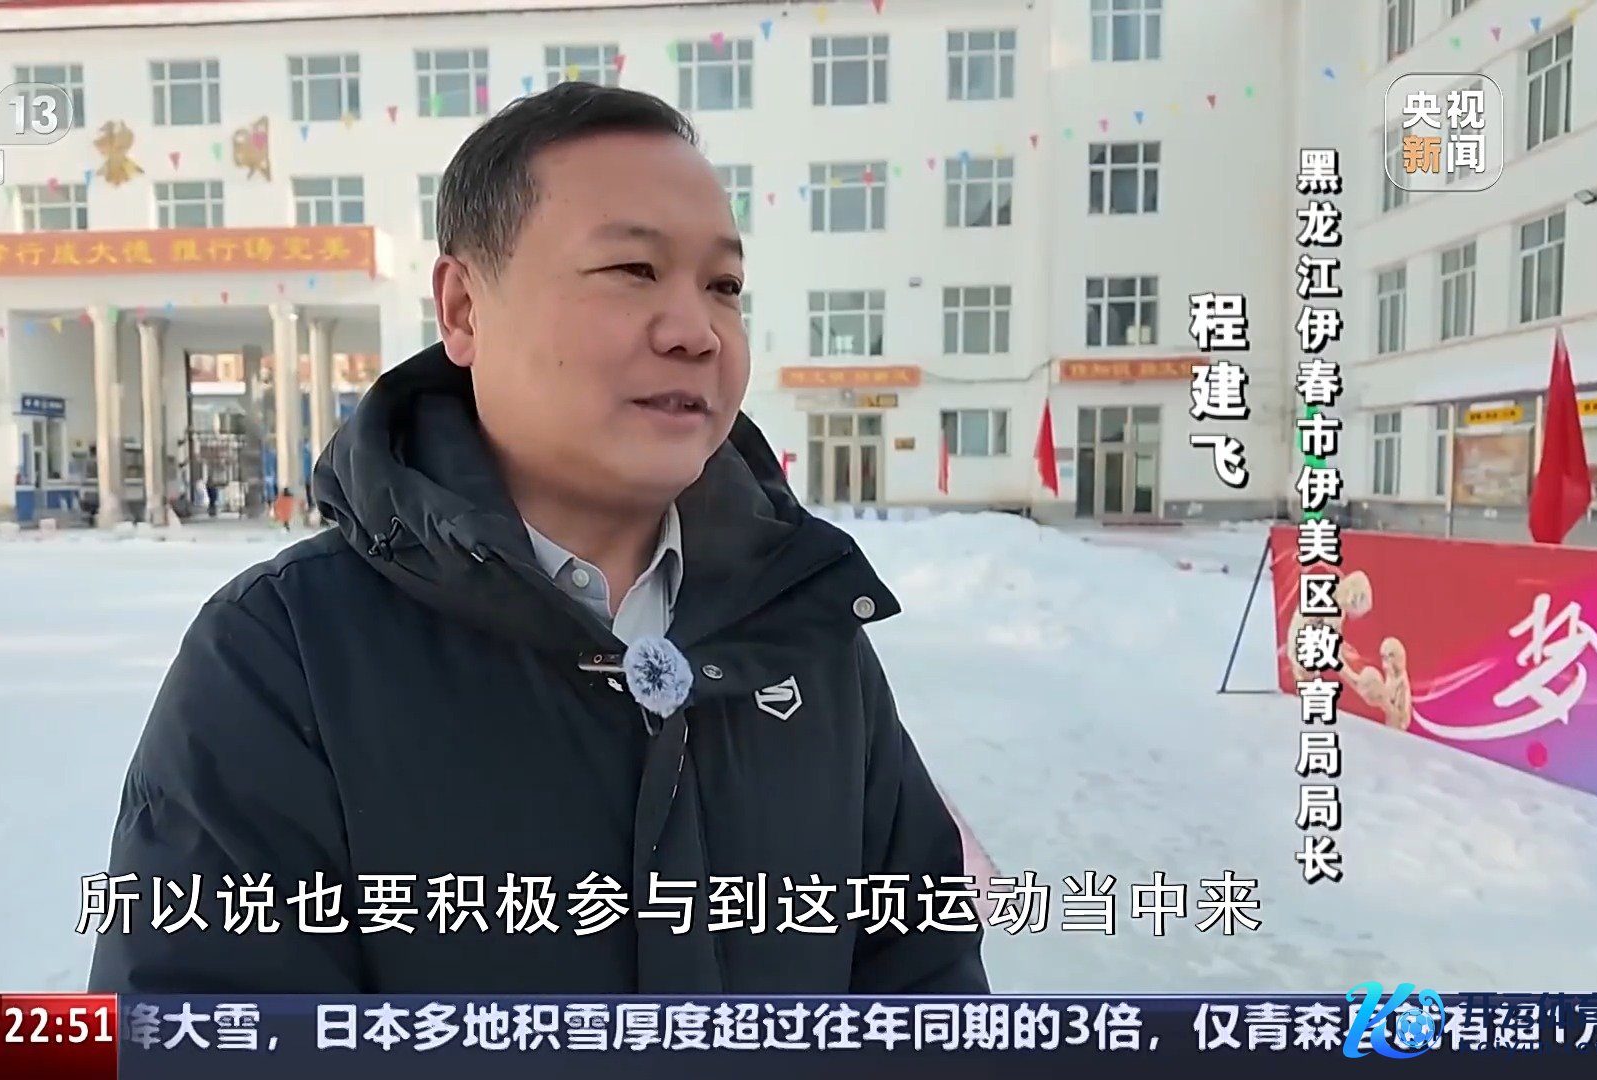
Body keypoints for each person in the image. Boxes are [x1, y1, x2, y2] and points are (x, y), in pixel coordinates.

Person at [88, 82, 989, 995]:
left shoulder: (801, 631)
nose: (697, 333)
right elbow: (202, 1029)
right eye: (632, 270)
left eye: (723, 287)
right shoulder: (286, 655)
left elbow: (927, 994)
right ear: (464, 310)